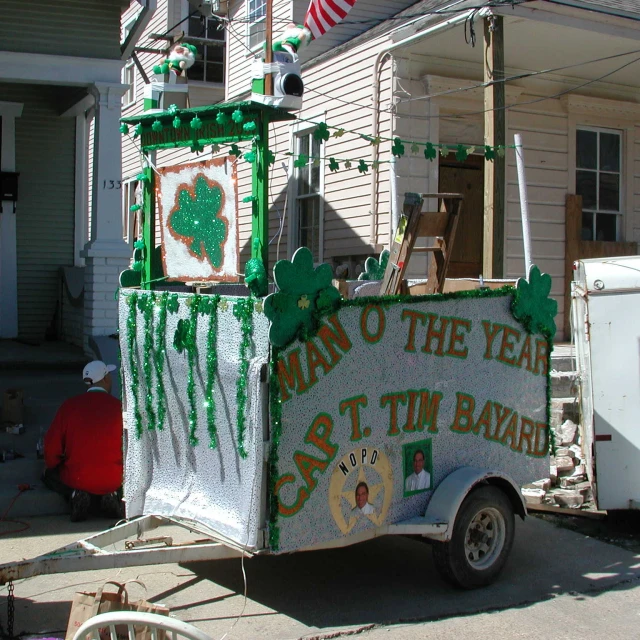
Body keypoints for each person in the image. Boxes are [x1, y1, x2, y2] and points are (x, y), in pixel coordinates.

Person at [43, 361, 124, 522]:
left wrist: (52, 464)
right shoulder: (119, 407)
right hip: (113, 476)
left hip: (77, 477)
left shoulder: (69, 406)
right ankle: (112, 494)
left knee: (49, 474)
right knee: (114, 476)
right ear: (106, 378)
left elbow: (51, 449)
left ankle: (76, 495)